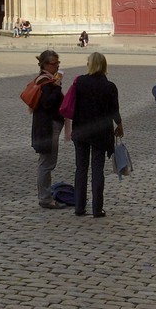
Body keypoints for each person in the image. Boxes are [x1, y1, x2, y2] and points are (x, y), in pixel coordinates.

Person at [66, 51, 122, 217]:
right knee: (97, 170)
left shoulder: (80, 82)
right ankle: (97, 209)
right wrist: (119, 125)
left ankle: (79, 207)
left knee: (80, 169)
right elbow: (114, 111)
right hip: (100, 133)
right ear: (104, 66)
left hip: (81, 131)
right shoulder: (109, 86)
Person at [30, 50, 67, 208]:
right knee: (46, 163)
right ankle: (45, 198)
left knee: (45, 162)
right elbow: (47, 103)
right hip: (47, 126)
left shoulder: (47, 80)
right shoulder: (45, 81)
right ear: (45, 64)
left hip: (47, 125)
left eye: (58, 63)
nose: (57, 66)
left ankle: (45, 195)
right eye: (54, 63)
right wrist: (57, 87)